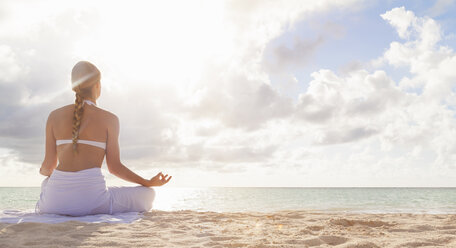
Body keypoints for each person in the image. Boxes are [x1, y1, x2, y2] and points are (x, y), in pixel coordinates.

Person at [35, 61, 171, 216]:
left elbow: (48, 168)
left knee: (46, 183)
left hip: (53, 204)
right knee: (149, 194)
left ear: (74, 86)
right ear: (97, 85)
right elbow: (114, 167)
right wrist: (147, 182)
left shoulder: (54, 116)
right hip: (93, 202)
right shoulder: (110, 119)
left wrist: (56, 176)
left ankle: (63, 198)